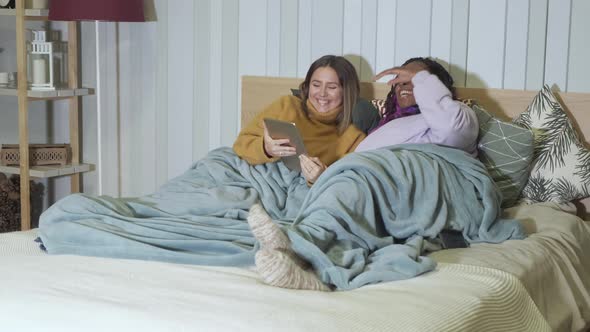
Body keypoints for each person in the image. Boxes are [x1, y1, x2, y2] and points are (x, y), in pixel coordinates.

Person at [248, 57, 480, 291]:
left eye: (414, 81)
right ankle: (302, 259)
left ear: (436, 87)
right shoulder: (385, 126)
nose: (404, 86)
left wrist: (421, 79)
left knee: (353, 186)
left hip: (412, 179)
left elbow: (450, 127)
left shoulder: (459, 116)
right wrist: (325, 177)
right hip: (373, 181)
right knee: (345, 191)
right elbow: (357, 165)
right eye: (400, 82)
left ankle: (296, 245)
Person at [233, 55, 366, 184]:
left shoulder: (354, 138)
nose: (322, 93)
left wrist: (320, 177)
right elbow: (240, 146)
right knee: (218, 159)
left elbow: (348, 186)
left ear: (346, 92)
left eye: (332, 87)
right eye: (316, 85)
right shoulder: (287, 105)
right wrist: (265, 148)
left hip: (302, 189)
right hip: (262, 174)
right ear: (308, 87)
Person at [356, 57, 479, 157]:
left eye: (413, 77)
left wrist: (421, 78)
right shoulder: (388, 123)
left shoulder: (459, 112)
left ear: (437, 85)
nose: (403, 82)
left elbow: (452, 130)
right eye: (401, 77)